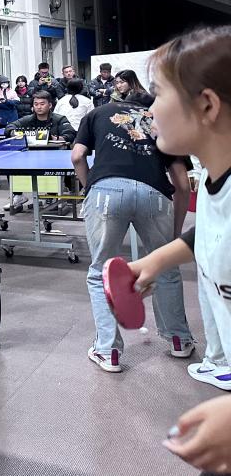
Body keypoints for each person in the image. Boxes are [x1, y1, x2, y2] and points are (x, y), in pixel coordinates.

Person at [121, 26, 231, 476]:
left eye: (159, 94)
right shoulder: (218, 178)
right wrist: (159, 258)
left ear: (206, 105)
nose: (149, 110)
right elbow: (212, 230)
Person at [71, 72, 194, 374]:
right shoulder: (161, 120)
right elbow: (182, 184)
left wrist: (90, 190)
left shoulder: (98, 112)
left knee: (100, 272)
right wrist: (176, 235)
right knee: (165, 266)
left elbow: (77, 156)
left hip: (106, 191)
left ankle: (108, 352)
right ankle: (179, 340)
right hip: (155, 193)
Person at [4, 91, 76, 144]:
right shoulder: (27, 119)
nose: (39, 107)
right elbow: (10, 126)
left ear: (50, 105)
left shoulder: (60, 119)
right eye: (36, 104)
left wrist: (54, 138)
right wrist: (14, 133)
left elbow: (71, 134)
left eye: (42, 104)